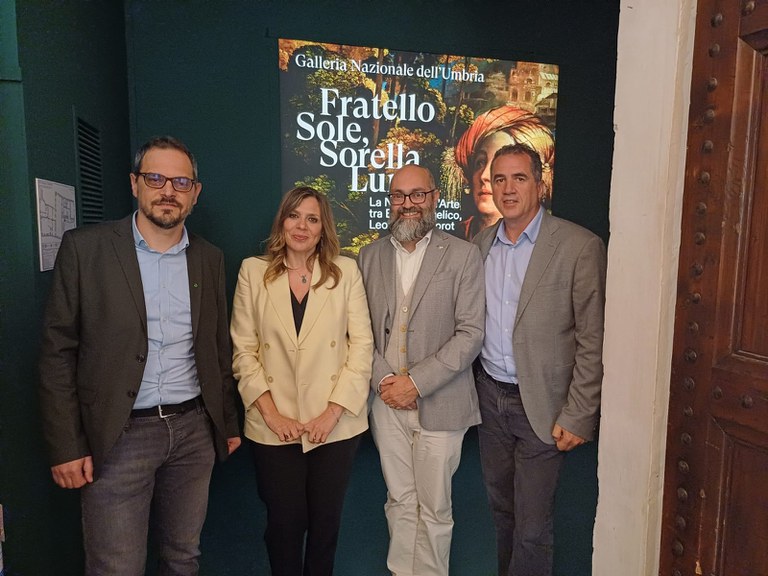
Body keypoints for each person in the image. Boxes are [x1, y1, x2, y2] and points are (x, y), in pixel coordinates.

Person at [38, 135, 242, 575]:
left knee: (183, 558)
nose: (168, 191)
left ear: (195, 192)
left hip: (193, 431)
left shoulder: (208, 258)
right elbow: (58, 353)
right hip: (118, 435)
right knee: (117, 567)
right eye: (155, 178)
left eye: (181, 182)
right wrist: (66, 445)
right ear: (135, 184)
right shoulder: (86, 248)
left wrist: (225, 422)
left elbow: (216, 347)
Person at [472, 143, 606, 576]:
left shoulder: (578, 246)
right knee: (502, 512)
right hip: (490, 399)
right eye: (499, 179)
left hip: (544, 405)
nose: (508, 189)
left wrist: (580, 412)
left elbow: (593, 337)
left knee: (531, 527)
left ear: (540, 185)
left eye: (519, 178)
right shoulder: (480, 245)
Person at [230, 186, 373, 576]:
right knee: (284, 526)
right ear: (282, 221)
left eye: (312, 219)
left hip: (334, 425)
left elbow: (362, 347)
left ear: (323, 228)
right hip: (274, 425)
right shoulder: (252, 271)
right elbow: (244, 351)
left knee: (325, 527)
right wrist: (273, 417)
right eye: (294, 216)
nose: (302, 226)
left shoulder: (345, 272)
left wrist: (331, 414)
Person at [358, 164, 485, 576]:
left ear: (434, 198)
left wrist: (415, 383)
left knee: (434, 508)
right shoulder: (369, 256)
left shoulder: (463, 255)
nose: (407, 204)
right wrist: (384, 381)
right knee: (399, 500)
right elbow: (359, 331)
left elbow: (470, 334)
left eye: (417, 194)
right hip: (385, 404)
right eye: (398, 195)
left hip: (443, 404)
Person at [455, 105, 555, 240]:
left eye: (518, 177)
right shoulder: (455, 237)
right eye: (480, 162)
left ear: (539, 187)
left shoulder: (570, 243)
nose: (484, 176)